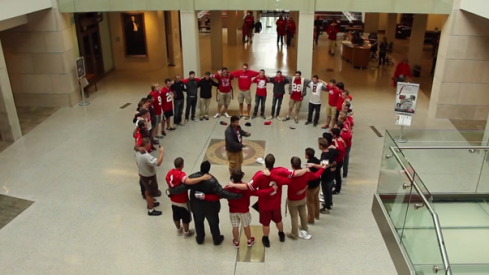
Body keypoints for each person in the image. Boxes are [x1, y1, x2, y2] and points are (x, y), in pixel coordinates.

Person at [227, 154, 308, 248]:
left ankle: (266, 239)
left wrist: (233, 185)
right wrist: (306, 170)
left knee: (266, 224)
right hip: (276, 203)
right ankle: (281, 234)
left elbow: (248, 187)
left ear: (265, 163)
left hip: (264, 205)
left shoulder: (259, 175)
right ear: (274, 162)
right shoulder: (280, 171)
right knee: (278, 220)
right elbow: (295, 173)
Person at [168, 161, 242, 245]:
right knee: (214, 224)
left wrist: (171, 191)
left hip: (196, 207)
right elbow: (221, 193)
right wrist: (237, 195)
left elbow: (182, 188)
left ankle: (200, 239)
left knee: (198, 223)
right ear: (209, 169)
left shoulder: (193, 178)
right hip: (211, 208)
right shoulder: (212, 180)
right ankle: (217, 239)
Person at [225, 169, 277, 248]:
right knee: (246, 226)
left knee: (235, 226)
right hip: (244, 211)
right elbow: (259, 193)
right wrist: (271, 189)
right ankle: (249, 240)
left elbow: (219, 193)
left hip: (233, 211)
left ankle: (236, 242)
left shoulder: (228, 187)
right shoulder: (246, 188)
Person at [277, 157, 325, 240]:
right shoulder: (307, 174)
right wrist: (323, 168)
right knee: (303, 214)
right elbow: (316, 175)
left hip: (292, 200)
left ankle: (294, 234)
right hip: (302, 198)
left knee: (294, 218)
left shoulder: (290, 176)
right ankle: (304, 228)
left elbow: (280, 179)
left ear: (292, 165)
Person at [165, 157, 212, 238]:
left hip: (173, 199)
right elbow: (188, 182)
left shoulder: (170, 173)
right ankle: (186, 232)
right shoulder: (181, 174)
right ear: (182, 165)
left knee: (176, 215)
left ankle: (179, 229)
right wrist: (202, 178)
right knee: (185, 216)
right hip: (182, 200)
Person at [135, 138, 164, 216]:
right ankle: (151, 210)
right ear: (146, 144)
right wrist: (161, 153)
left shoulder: (137, 152)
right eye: (149, 143)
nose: (150, 144)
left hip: (142, 174)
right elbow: (158, 163)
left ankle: (150, 202)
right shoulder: (146, 156)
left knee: (147, 190)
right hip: (148, 176)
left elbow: (137, 162)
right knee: (149, 193)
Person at [309, 137, 337, 214]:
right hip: (331, 175)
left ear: (321, 146)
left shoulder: (324, 155)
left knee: (326, 192)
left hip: (326, 177)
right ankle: (330, 202)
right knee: (329, 191)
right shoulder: (331, 151)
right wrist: (333, 165)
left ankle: (327, 207)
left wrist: (313, 164)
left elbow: (322, 166)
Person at [305, 148, 321, 224]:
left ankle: (310, 218)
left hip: (311, 187)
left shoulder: (309, 164)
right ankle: (316, 214)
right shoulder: (317, 161)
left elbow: (308, 176)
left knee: (310, 203)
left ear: (307, 155)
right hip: (317, 184)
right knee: (316, 199)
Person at [331, 128, 346, 194]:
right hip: (339, 160)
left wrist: (335, 147)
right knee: (337, 174)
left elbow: (342, 149)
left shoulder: (338, 141)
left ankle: (337, 189)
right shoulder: (340, 139)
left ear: (334, 135)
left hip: (338, 161)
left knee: (337, 175)